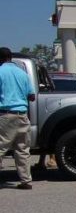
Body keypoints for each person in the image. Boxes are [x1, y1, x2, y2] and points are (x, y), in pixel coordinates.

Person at [0, 47, 36, 189]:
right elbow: (32, 96)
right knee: (23, 150)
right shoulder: (22, 74)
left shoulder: (0, 72)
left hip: (5, 115)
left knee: (1, 147)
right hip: (22, 115)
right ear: (10, 57)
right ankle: (26, 181)